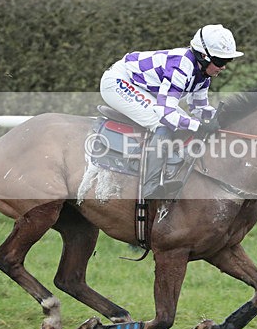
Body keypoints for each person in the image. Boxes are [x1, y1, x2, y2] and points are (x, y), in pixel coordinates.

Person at [100, 24, 243, 199]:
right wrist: (199, 125)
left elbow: (199, 108)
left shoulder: (203, 75)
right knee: (164, 124)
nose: (223, 67)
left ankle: (169, 170)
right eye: (220, 61)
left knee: (183, 123)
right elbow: (166, 114)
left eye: (228, 61)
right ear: (203, 56)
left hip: (141, 86)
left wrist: (223, 121)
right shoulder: (181, 66)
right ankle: (150, 186)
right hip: (118, 82)